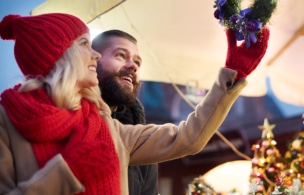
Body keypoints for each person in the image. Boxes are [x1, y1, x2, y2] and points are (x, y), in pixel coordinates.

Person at [0, 13, 269, 195]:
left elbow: (188, 138)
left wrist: (234, 73)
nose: (93, 53)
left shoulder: (106, 125)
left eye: (137, 62)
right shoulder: (6, 121)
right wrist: (69, 171)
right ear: (59, 53)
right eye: (84, 43)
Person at [92, 30, 159, 195]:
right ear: (92, 61)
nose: (133, 66)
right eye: (120, 55)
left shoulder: (139, 137)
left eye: (137, 62)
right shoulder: (65, 117)